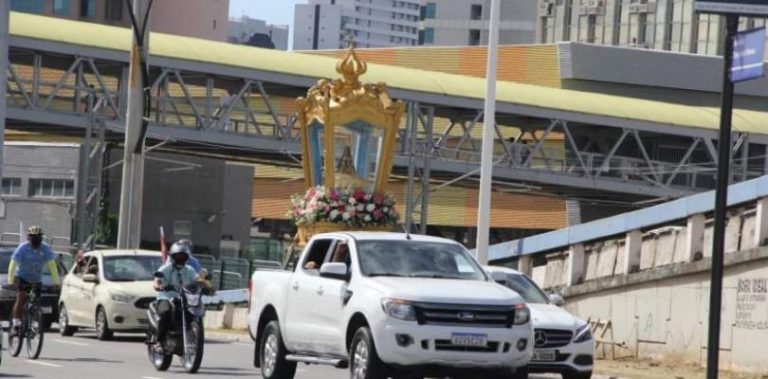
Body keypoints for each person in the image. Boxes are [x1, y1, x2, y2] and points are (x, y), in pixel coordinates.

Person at [8, 226, 60, 330]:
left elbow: (52, 265)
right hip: (23, 277)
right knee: (21, 298)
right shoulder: (23, 248)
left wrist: (56, 282)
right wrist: (11, 280)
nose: (36, 239)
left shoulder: (45, 248)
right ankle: (16, 323)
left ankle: (30, 320)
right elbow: (13, 264)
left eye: (38, 237)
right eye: (33, 237)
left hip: (36, 279)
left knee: (36, 300)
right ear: (29, 238)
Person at [152, 242, 200, 353]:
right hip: (166, 298)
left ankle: (189, 336)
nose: (180, 259)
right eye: (178, 256)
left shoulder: (189, 270)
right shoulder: (165, 269)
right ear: (172, 257)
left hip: (184, 298)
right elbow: (157, 280)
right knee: (165, 312)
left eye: (183, 257)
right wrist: (159, 286)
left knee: (192, 313)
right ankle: (159, 342)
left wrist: (205, 285)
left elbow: (197, 279)